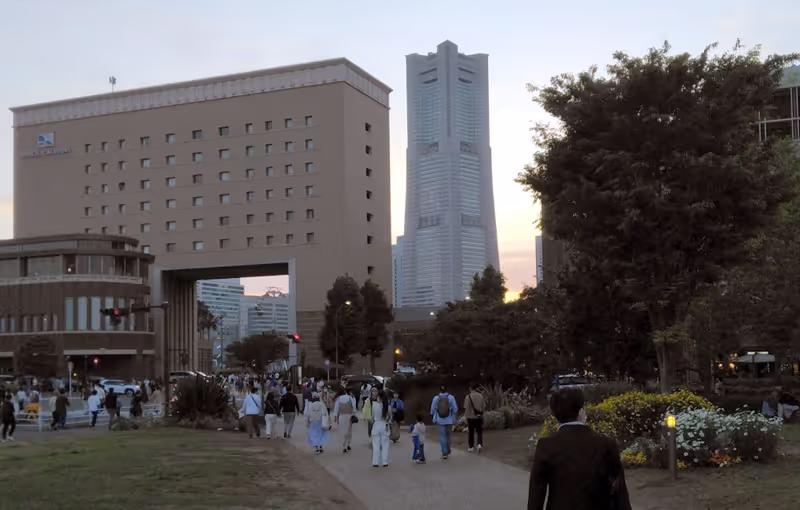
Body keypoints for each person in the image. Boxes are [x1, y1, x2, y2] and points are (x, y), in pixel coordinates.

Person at [529, 388, 631, 510]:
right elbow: (620, 492)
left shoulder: (546, 445)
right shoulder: (606, 444)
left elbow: (537, 493)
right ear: (581, 412)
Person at [430, 385, 458, 459]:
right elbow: (455, 409)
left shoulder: (436, 398)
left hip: (440, 419)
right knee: (448, 435)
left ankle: (444, 452)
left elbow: (432, 409)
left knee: (442, 435)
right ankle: (448, 449)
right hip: (449, 419)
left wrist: (433, 414)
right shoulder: (451, 397)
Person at [370, 389, 392, 467]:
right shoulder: (387, 406)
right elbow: (390, 418)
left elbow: (372, 416)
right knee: (385, 444)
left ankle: (375, 462)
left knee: (376, 444)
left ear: (379, 396)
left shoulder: (374, 405)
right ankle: (385, 462)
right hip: (385, 425)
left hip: (376, 424)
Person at [333, 387, 358, 453]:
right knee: (349, 430)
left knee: (343, 430)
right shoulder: (350, 397)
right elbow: (354, 406)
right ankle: (348, 444)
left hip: (341, 415)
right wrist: (354, 413)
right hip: (349, 415)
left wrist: (335, 416)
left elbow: (336, 408)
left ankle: (343, 445)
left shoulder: (338, 399)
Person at [464, 382, 486, 452]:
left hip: (470, 417)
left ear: (470, 388)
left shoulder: (468, 397)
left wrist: (465, 417)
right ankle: (479, 444)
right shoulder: (481, 396)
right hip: (479, 417)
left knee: (471, 432)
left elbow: (466, 408)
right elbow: (483, 407)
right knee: (479, 431)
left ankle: (471, 446)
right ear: (476, 389)